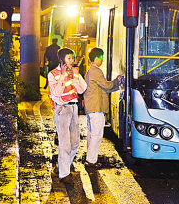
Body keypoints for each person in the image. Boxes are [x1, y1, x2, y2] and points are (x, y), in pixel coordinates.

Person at [48, 48, 87, 183]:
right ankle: (64, 174)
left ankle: (61, 166)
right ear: (62, 60)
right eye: (69, 58)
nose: (72, 61)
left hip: (73, 108)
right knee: (65, 143)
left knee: (75, 142)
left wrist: (76, 77)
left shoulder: (74, 73)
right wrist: (64, 78)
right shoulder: (52, 74)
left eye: (73, 58)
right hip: (62, 110)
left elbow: (82, 89)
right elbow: (57, 92)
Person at [83, 48, 123, 168]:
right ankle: (91, 161)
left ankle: (90, 159)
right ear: (96, 59)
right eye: (101, 58)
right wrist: (118, 81)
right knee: (96, 135)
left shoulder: (91, 71)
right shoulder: (96, 71)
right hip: (96, 107)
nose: (102, 60)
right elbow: (107, 86)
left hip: (92, 107)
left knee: (91, 134)